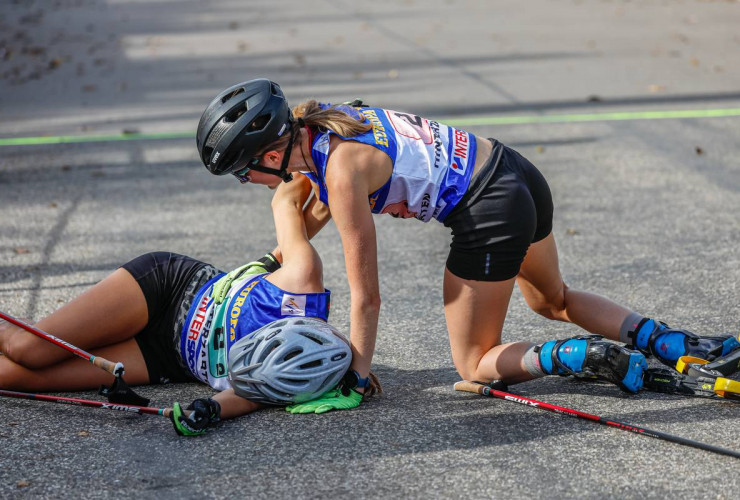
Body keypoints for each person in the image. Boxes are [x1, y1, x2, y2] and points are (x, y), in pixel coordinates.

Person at [196, 79, 740, 411]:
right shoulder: (329, 123)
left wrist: (356, 377)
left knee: (475, 362)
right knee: (552, 301)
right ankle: (680, 344)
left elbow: (366, 298)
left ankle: (581, 356)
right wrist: (273, 256)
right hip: (516, 172)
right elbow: (311, 203)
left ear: (270, 156)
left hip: (488, 210)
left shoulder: (339, 174)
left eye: (246, 175)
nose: (253, 186)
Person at [0, 177, 372, 435]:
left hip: (165, 357)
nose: (245, 370)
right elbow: (287, 200)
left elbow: (245, 398)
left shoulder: (291, 375)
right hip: (167, 290)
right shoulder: (302, 279)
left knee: (13, 376)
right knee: (26, 349)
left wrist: (208, 411)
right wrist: (326, 161)